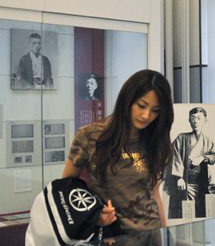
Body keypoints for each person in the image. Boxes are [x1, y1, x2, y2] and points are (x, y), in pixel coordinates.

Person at [62, 69, 174, 233]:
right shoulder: (90, 136)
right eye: (141, 106)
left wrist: (167, 236)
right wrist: (93, 216)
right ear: (127, 100)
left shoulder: (155, 139)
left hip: (151, 236)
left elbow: (155, 193)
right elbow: (66, 188)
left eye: (155, 110)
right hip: (111, 237)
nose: (146, 115)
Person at [166, 107, 215, 219]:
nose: (195, 121)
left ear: (205, 121)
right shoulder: (181, 138)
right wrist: (179, 177)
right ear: (189, 120)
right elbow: (174, 156)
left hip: (201, 181)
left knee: (202, 210)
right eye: (193, 118)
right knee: (187, 211)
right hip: (185, 181)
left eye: (199, 118)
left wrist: (203, 157)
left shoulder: (208, 141)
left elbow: (213, 156)